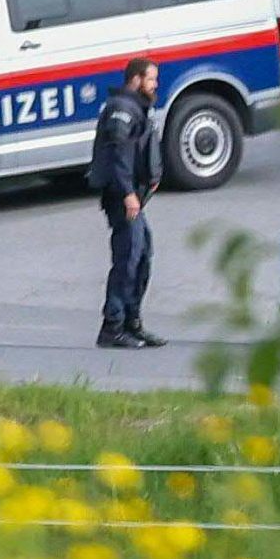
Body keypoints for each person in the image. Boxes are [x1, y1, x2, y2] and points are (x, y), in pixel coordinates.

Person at [89, 57, 167, 349]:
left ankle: (132, 324)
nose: (155, 85)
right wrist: (128, 194)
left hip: (135, 196)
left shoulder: (136, 108)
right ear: (135, 79)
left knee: (142, 255)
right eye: (151, 79)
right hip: (124, 196)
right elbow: (118, 154)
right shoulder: (121, 110)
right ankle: (112, 327)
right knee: (127, 260)